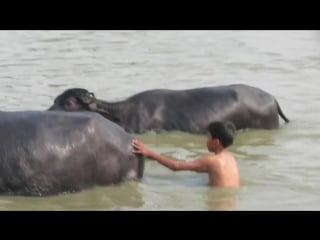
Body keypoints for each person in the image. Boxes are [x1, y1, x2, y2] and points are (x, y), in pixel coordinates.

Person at [131, 121, 240, 188]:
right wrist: (154, 157)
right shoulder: (231, 158)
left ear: (216, 142)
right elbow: (201, 169)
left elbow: (175, 167)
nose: (206, 140)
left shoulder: (211, 160)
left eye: (208, 137)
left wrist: (148, 151)